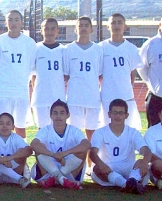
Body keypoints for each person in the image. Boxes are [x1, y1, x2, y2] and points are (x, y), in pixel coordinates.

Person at [89, 99, 151, 194]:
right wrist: (101, 164)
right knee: (96, 168)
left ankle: (127, 183)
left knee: (143, 164)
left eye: (121, 113)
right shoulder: (100, 132)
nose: (117, 116)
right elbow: (93, 153)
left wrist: (144, 162)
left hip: (128, 168)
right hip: (108, 167)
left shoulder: (133, 132)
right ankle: (129, 184)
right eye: (115, 113)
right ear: (109, 114)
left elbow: (146, 150)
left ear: (126, 115)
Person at [0, 10, 36, 139]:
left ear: (21, 22)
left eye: (16, 19)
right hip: (3, 92)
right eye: (10, 20)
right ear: (6, 22)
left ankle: (20, 158)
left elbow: (31, 69)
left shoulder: (29, 43)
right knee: (3, 127)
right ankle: (2, 157)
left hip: (21, 92)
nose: (13, 23)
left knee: (21, 127)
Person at [30, 99, 89, 189]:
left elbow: (87, 144)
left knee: (82, 150)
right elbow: (34, 144)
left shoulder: (74, 130)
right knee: (39, 148)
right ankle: (61, 178)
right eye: (55, 113)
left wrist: (64, 153)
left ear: (68, 115)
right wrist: (54, 155)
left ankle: (58, 177)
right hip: (48, 171)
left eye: (62, 113)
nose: (58, 116)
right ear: (51, 116)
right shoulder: (45, 130)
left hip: (68, 170)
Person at [98, 13, 143, 129]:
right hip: (107, 96)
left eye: (119, 22)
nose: (116, 25)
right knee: (106, 129)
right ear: (108, 27)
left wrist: (127, 88)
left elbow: (132, 73)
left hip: (126, 96)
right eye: (113, 23)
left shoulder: (131, 49)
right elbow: (98, 74)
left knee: (127, 130)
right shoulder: (100, 48)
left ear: (125, 27)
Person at [62, 16, 103, 148]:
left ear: (91, 29)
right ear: (75, 29)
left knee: (92, 133)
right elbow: (66, 74)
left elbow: (100, 73)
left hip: (93, 98)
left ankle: (91, 165)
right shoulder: (68, 49)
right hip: (75, 98)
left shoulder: (98, 50)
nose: (83, 28)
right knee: (75, 133)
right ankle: (77, 165)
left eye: (86, 25)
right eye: (80, 26)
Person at [0, 113, 32, 188]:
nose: (4, 126)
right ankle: (19, 178)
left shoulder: (16, 137)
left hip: (12, 172)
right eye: (1, 123)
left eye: (8, 124)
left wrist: (10, 158)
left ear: (13, 127)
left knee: (22, 154)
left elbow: (28, 150)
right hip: (0, 176)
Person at [31, 18, 66, 129]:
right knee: (42, 130)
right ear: (41, 31)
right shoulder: (35, 49)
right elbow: (33, 75)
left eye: (52, 29)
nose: (49, 32)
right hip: (41, 97)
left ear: (57, 31)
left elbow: (66, 75)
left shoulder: (63, 50)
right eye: (46, 28)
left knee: (59, 129)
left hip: (58, 96)